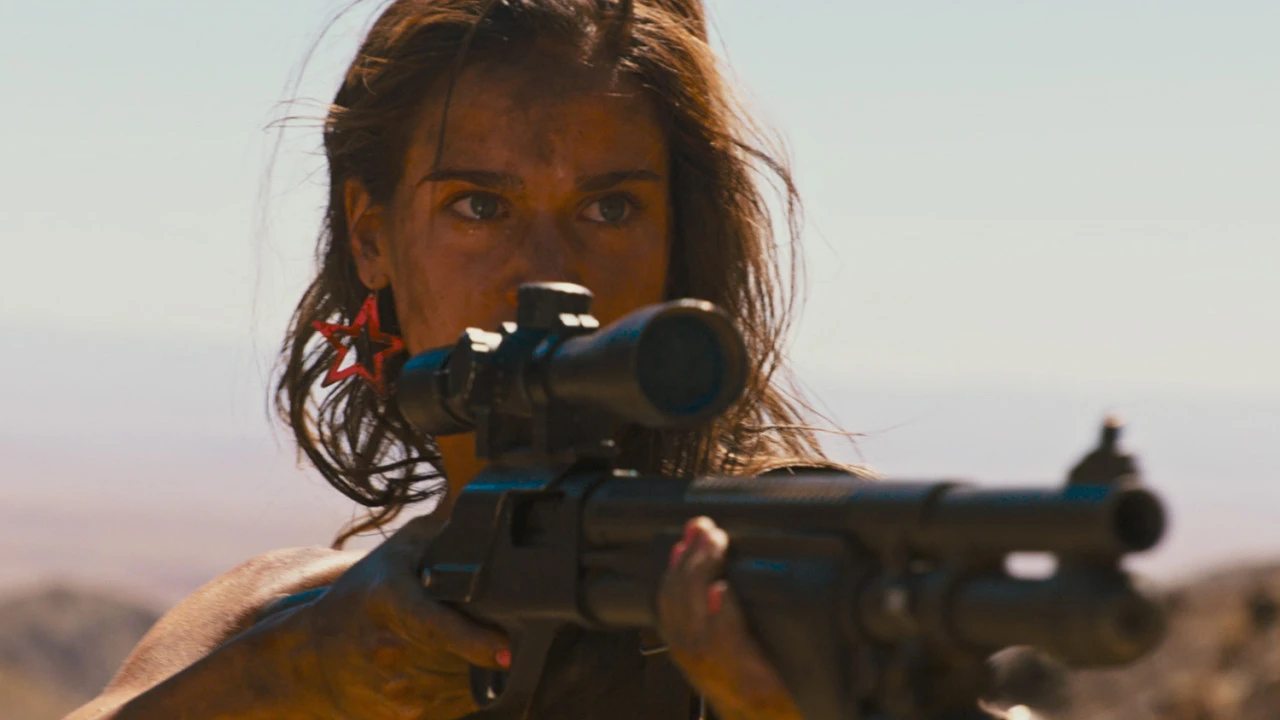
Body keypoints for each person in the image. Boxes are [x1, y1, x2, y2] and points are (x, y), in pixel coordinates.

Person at [67, 1, 849, 718]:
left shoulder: (814, 566)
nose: (549, 275)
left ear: (677, 241)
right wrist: (298, 672)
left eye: (610, 209)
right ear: (371, 236)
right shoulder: (284, 618)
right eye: (479, 207)